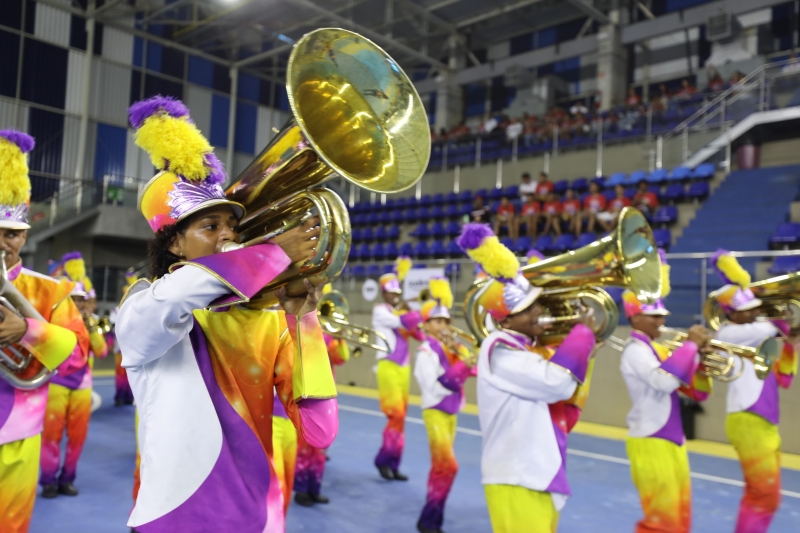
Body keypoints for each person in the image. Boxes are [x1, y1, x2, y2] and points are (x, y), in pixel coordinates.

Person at [116, 96, 338, 532]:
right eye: (210, 227)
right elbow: (180, 293)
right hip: (172, 517)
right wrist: (273, 253)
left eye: (232, 227)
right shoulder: (143, 306)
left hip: (255, 518)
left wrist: (304, 321)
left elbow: (318, 431)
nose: (228, 237)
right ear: (175, 243)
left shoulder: (267, 320)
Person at [457, 224, 597, 532]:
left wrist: (584, 345)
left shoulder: (527, 348)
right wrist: (582, 334)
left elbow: (566, 391)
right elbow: (558, 383)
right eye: (526, 308)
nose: (538, 312)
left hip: (534, 473)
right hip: (517, 474)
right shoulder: (500, 350)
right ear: (505, 319)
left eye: (535, 304)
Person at [0, 130, 89, 533]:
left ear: (24, 236)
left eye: (12, 233)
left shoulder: (51, 290)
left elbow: (78, 356)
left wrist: (27, 331)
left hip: (17, 436)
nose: (4, 243)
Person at [619, 251, 713, 533]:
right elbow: (663, 381)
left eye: (661, 316)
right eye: (654, 317)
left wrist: (700, 361)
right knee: (661, 523)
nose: (661, 322)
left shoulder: (656, 349)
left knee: (679, 519)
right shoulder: (634, 351)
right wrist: (690, 348)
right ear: (635, 320)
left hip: (672, 439)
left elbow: (697, 394)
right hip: (651, 440)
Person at [709, 251, 797, 533]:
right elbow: (774, 325)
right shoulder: (727, 334)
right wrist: (786, 322)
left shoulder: (759, 336)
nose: (757, 312)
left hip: (763, 421)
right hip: (749, 420)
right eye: (749, 309)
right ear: (731, 313)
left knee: (766, 497)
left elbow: (784, 379)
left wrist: (792, 344)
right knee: (763, 496)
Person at [39, 253, 108, 499]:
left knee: (77, 437)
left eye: (82, 300)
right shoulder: (55, 321)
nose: (79, 304)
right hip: (56, 384)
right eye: (75, 299)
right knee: (51, 436)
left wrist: (92, 330)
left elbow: (102, 352)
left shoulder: (93, 323)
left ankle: (67, 480)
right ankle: (48, 481)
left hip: (82, 386)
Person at [413, 278, 476, 533]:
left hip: (451, 412)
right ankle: (428, 519)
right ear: (426, 326)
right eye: (438, 322)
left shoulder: (453, 349)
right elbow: (438, 384)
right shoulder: (425, 353)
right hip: (436, 411)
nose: (444, 326)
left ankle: (432, 519)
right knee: (447, 467)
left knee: (442, 469)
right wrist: (464, 364)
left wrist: (468, 359)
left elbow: (474, 372)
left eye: (446, 321)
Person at [293, 284, 351, 507]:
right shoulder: (310, 330)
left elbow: (341, 358)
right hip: (308, 394)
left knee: (320, 449)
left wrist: (341, 337)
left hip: (326, 395)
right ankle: (301, 490)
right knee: (305, 447)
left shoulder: (331, 334)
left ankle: (314, 488)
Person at [372, 256, 423, 481]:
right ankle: (383, 459)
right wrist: (420, 310)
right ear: (384, 294)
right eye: (391, 293)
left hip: (403, 368)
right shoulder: (379, 311)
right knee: (395, 415)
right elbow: (401, 323)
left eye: (397, 293)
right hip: (388, 366)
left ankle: (394, 463)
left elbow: (419, 335)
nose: (395, 296)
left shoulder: (402, 312)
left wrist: (411, 313)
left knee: (401, 419)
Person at [111, 268, 137, 406]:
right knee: (121, 375)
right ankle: (120, 396)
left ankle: (130, 396)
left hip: (133, 347)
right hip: (120, 348)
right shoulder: (116, 310)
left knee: (132, 374)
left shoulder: (137, 309)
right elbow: (113, 328)